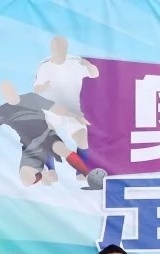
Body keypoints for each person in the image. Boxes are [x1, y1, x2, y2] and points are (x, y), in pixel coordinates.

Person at [0, 81, 102, 189]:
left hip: (47, 136)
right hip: (29, 146)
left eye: (9, 90)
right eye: (4, 92)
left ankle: (88, 175)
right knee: (26, 180)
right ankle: (43, 174)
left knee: (61, 149)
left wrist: (75, 116)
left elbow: (56, 109)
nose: (7, 94)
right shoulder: (2, 111)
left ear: (14, 89)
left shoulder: (31, 98)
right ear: (2, 95)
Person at [33, 36, 99, 181]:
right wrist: (42, 87)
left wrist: (88, 65)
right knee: (48, 139)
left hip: (73, 110)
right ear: (51, 48)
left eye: (61, 47)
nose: (58, 49)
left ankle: (81, 172)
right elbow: (36, 88)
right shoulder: (44, 66)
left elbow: (95, 74)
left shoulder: (76, 62)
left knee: (83, 140)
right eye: (55, 47)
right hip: (52, 111)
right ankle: (51, 171)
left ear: (66, 48)